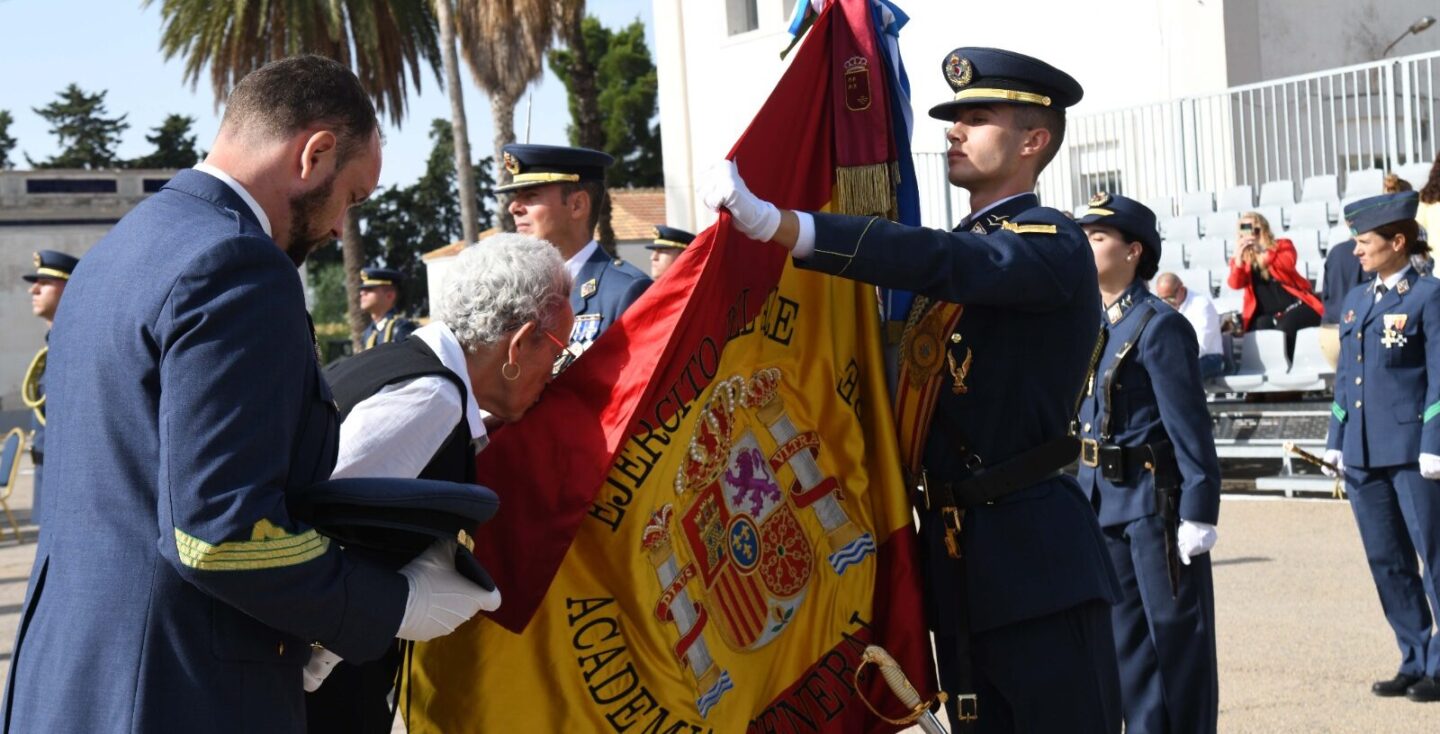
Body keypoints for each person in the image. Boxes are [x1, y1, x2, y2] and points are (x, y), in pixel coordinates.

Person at [0, 56, 491, 733]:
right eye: (352, 198)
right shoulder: (238, 264)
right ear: (315, 154)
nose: (340, 229)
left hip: (71, 678)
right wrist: (392, 603)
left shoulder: (123, 247)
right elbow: (221, 532)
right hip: (179, 692)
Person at [703, 47, 1122, 732]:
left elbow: (942, 260)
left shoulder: (1052, 243)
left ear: (1033, 141)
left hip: (1036, 564)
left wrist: (787, 226)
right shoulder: (965, 250)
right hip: (958, 567)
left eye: (977, 118)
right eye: (955, 119)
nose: (954, 131)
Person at [304, 234, 572, 732]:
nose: (555, 374)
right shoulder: (432, 399)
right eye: (558, 352)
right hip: (313, 688)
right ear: (519, 343)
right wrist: (397, 602)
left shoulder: (413, 371)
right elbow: (300, 521)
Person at [1076, 194, 1222, 732]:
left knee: (1176, 642)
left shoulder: (1159, 325)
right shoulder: (1095, 323)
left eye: (1097, 238)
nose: (1085, 246)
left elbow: (1190, 426)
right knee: (1126, 647)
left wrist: (1199, 509)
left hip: (1154, 506)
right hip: (1103, 502)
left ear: (1133, 251)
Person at [1323, 191, 1440, 704]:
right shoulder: (1356, 301)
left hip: (1414, 453)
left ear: (1397, 242)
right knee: (1387, 562)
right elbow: (1345, 380)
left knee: (1434, 558)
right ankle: (1414, 657)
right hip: (1363, 454)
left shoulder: (1429, 296)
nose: (1356, 251)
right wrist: (1336, 440)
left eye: (1364, 241)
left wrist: (1435, 441)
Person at [501, 144, 650, 366]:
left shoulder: (626, 292)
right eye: (516, 196)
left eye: (530, 195)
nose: (514, 207)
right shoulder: (516, 293)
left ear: (577, 205)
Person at [19, 250, 78, 527]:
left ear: (70, 288)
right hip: (49, 478)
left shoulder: (74, 347)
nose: (34, 289)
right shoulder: (54, 346)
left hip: (67, 487)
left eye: (45, 283)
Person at [1225, 211, 1323, 363]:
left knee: (1287, 325)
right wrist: (1238, 258)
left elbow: (1287, 263)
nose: (1250, 234)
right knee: (1260, 327)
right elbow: (1235, 284)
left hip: (1296, 305)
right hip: (1265, 313)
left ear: (1262, 229)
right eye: (1245, 230)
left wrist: (1262, 249)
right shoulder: (1243, 258)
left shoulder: (1282, 245)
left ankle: (1290, 364)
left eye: (1254, 230)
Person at [1154, 271, 1226, 380]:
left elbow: (1201, 347)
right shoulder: (1164, 309)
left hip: (1209, 358)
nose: (1166, 302)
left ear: (1181, 289)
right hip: (1180, 358)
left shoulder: (1202, 305)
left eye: (1170, 298)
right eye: (1162, 299)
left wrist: (1174, 361)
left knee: (1176, 375)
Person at [359, 267, 418, 350]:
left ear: (390, 295)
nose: (362, 293)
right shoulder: (368, 333)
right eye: (362, 289)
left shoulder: (402, 328)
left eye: (369, 289)